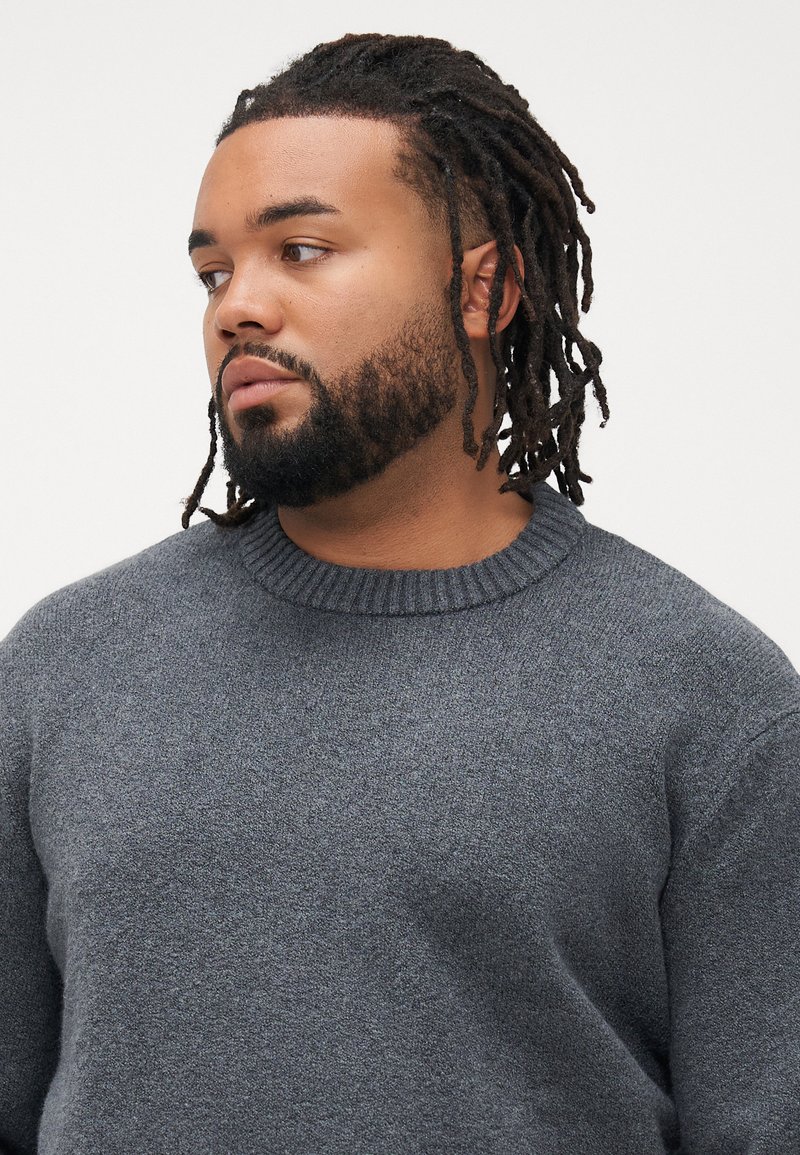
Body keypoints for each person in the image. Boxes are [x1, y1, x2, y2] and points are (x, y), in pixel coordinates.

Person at [1, 31, 797, 1155]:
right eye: (215, 272)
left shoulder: (709, 698)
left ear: (483, 288)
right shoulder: (63, 667)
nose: (236, 308)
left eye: (302, 249)